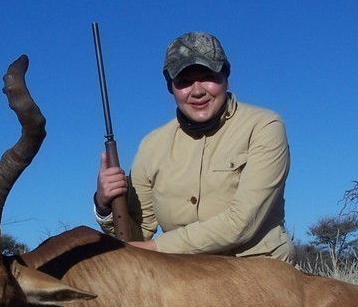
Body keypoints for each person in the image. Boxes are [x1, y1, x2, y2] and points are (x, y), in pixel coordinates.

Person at [94, 31, 296, 263]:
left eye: (208, 76)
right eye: (184, 81)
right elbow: (137, 236)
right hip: (183, 277)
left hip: (259, 271)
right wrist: (105, 205)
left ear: (226, 77)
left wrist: (155, 249)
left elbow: (242, 223)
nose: (197, 91)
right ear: (171, 87)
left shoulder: (264, 126)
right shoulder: (152, 146)